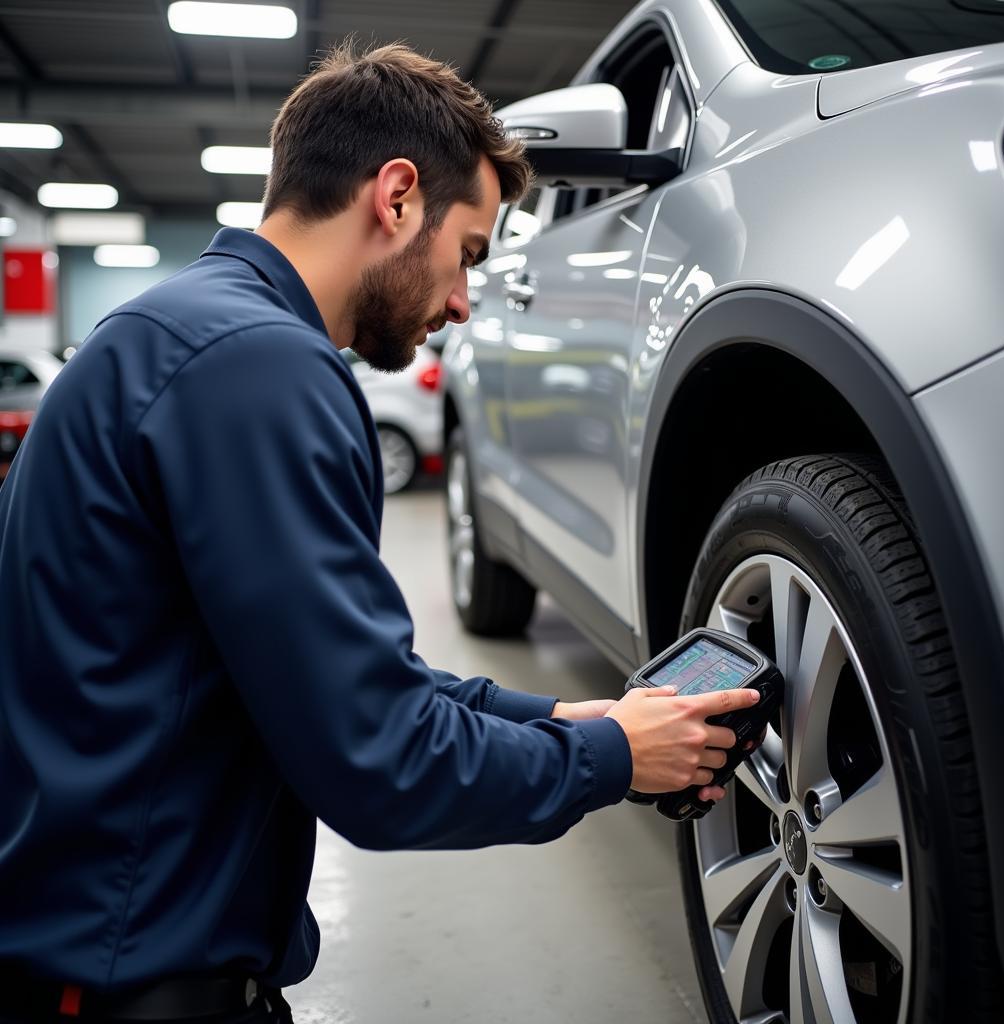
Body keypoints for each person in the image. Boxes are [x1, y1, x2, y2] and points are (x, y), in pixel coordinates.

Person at [0, 43, 760, 1023]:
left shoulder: (175, 334)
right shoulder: (260, 369)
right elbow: (378, 760)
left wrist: (564, 722)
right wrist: (615, 760)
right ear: (397, 197)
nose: (461, 301)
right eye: (469, 254)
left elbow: (326, 674)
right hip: (128, 986)